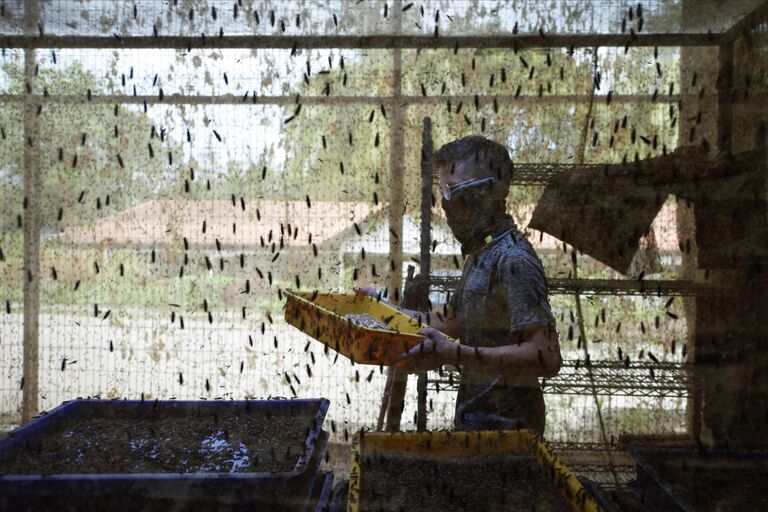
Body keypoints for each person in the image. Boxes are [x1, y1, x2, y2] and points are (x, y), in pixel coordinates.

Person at [355, 136, 561, 434]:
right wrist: (383, 310)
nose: (448, 206)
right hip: (476, 421)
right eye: (444, 193)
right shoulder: (482, 254)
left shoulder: (513, 259)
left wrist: (454, 354)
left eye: (455, 191)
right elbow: (453, 321)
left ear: (491, 191)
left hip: (510, 433)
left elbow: (547, 356)